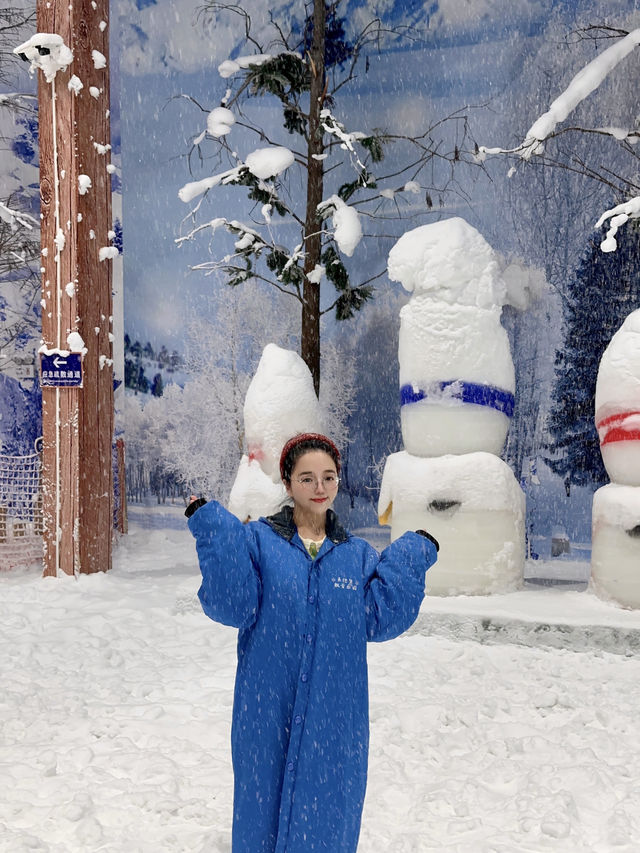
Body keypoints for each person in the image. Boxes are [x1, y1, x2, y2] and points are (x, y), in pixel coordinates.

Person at [186, 433, 438, 853]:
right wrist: (211, 525)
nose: (320, 488)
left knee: (328, 813)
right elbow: (233, 603)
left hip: (334, 715)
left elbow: (381, 615)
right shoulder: (259, 543)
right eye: (307, 478)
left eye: (328, 477)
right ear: (287, 484)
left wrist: (416, 550)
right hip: (267, 708)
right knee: (260, 811)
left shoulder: (355, 555)